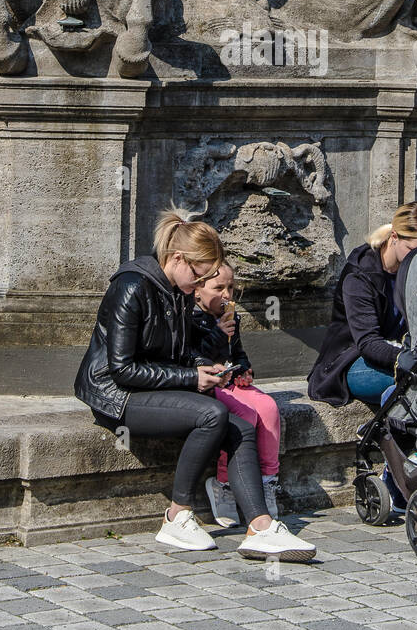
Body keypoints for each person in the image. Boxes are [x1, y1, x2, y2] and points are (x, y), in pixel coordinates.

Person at [74, 208, 315, 562]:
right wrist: (191, 377)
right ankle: (177, 514)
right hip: (117, 395)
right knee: (213, 414)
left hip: (156, 388)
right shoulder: (130, 287)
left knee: (242, 424)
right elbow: (123, 369)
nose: (200, 284)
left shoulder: (179, 292)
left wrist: (208, 367)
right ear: (177, 259)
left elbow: (180, 352)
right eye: (200, 275)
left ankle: (260, 527)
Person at [308, 202, 417, 408]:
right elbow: (369, 343)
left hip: (404, 356)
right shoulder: (359, 274)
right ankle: (391, 435)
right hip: (350, 361)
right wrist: (412, 360)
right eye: (414, 250)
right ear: (394, 237)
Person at [190, 263, 282, 526]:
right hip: (209, 384)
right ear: (197, 290)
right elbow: (195, 356)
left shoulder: (232, 316)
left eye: (231, 288)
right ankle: (224, 484)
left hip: (231, 383)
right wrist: (218, 334)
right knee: (244, 414)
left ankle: (267, 481)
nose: (227, 295)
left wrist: (244, 369)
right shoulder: (190, 318)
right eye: (219, 288)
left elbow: (238, 353)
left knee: (267, 407)